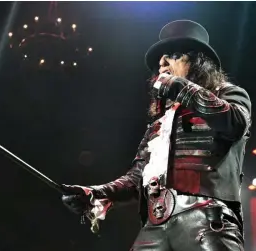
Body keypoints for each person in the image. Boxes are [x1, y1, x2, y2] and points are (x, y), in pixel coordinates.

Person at [61, 20, 252, 251]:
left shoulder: (229, 94)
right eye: (160, 60)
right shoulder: (160, 123)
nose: (162, 63)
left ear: (199, 62)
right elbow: (137, 177)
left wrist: (181, 86)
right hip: (153, 226)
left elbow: (236, 123)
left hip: (205, 218)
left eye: (173, 55)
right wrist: (95, 193)